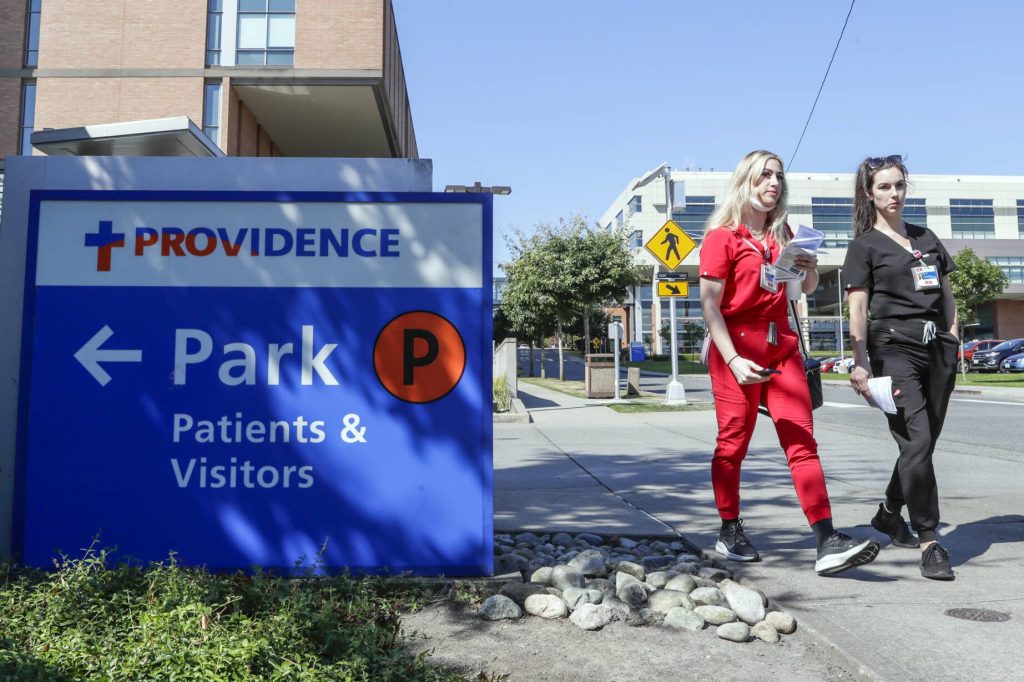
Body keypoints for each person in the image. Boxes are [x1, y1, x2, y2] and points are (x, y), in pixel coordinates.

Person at [699, 150, 880, 575]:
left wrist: (809, 267)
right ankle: (729, 528)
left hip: (783, 349)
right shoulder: (721, 237)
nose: (774, 183)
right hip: (736, 351)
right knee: (732, 444)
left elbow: (805, 289)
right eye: (764, 175)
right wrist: (732, 358)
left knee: (801, 442)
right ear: (745, 181)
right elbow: (710, 306)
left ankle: (826, 539)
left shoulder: (786, 234)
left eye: (779, 176)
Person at [843, 155, 958, 581]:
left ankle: (890, 513)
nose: (894, 194)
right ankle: (930, 540)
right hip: (892, 348)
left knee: (920, 445)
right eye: (884, 187)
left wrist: (953, 335)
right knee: (918, 437)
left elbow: (946, 294)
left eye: (899, 185)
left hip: (936, 348)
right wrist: (860, 363)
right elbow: (857, 310)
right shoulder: (865, 246)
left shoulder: (927, 237)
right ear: (870, 194)